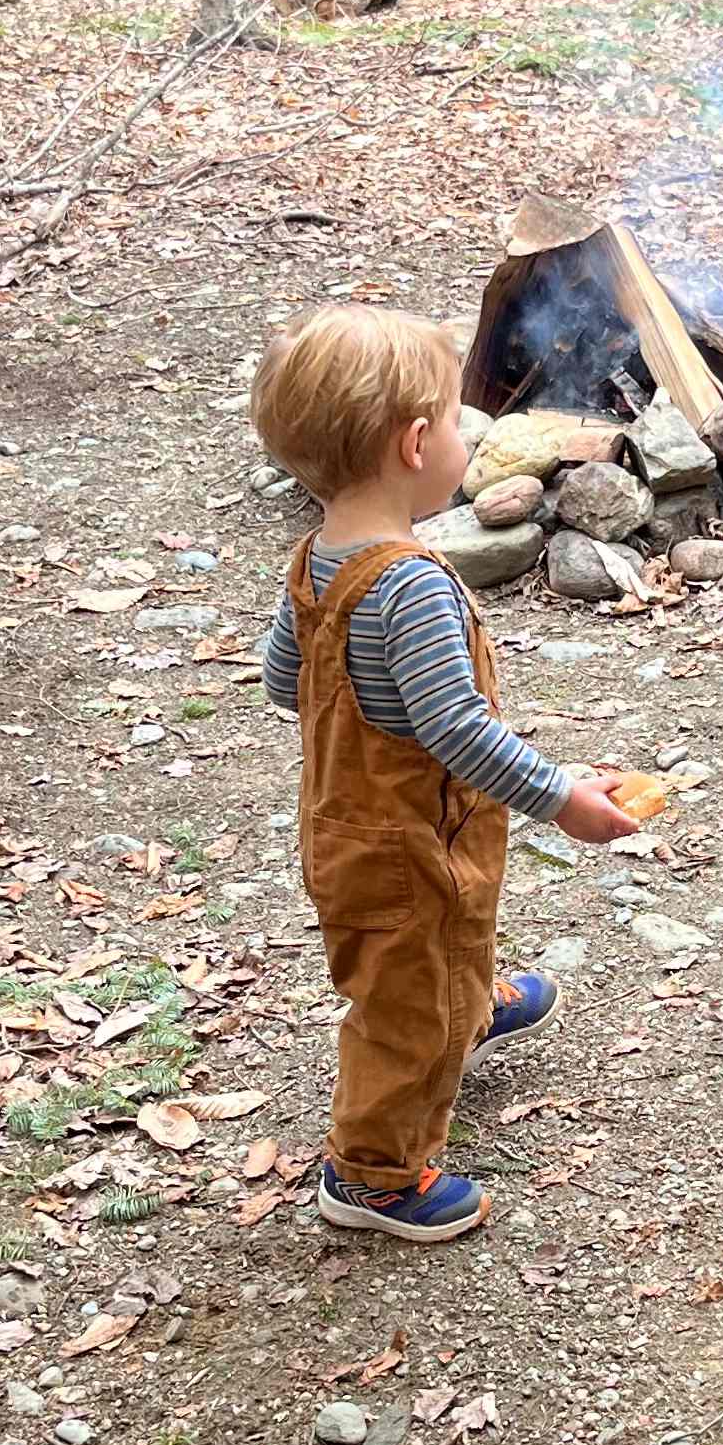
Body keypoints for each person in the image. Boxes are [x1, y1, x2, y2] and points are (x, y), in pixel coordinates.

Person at [256, 306, 637, 1243]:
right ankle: (372, 1176)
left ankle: (464, 1008)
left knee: (439, 937)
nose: (470, 438)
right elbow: (456, 728)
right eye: (460, 422)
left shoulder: (316, 560)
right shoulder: (409, 582)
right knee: (402, 1007)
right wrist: (563, 799)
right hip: (406, 841)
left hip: (353, 828)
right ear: (416, 444)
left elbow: (282, 681)